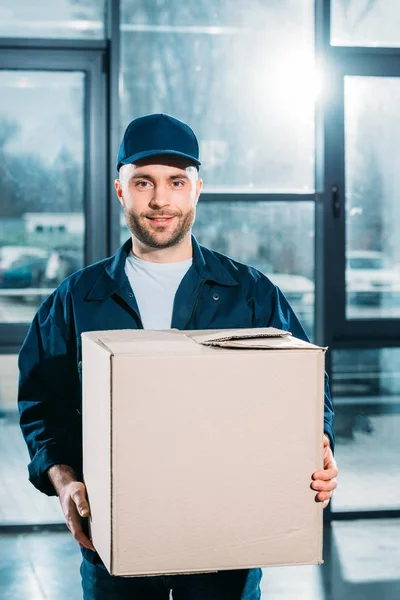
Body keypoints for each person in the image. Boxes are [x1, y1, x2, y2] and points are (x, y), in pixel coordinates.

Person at [18, 113, 338, 600]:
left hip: (227, 546)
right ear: (120, 190)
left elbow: (306, 391)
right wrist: (64, 481)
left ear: (197, 190)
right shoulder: (76, 298)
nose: (161, 200)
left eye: (176, 182)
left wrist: (318, 445)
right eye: (143, 181)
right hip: (115, 543)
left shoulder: (250, 294)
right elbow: (42, 404)